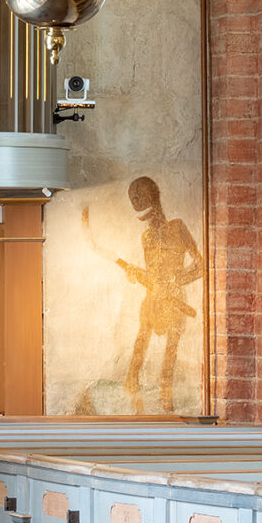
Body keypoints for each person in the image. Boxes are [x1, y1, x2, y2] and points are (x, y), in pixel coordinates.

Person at [83, 177, 204, 414]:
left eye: (139, 196)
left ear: (153, 197)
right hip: (152, 299)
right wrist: (135, 273)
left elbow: (200, 265)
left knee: (171, 350)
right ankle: (132, 384)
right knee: (142, 340)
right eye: (133, 198)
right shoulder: (146, 238)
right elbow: (151, 273)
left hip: (175, 302)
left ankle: (165, 397)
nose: (136, 202)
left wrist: (174, 281)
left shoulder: (178, 228)